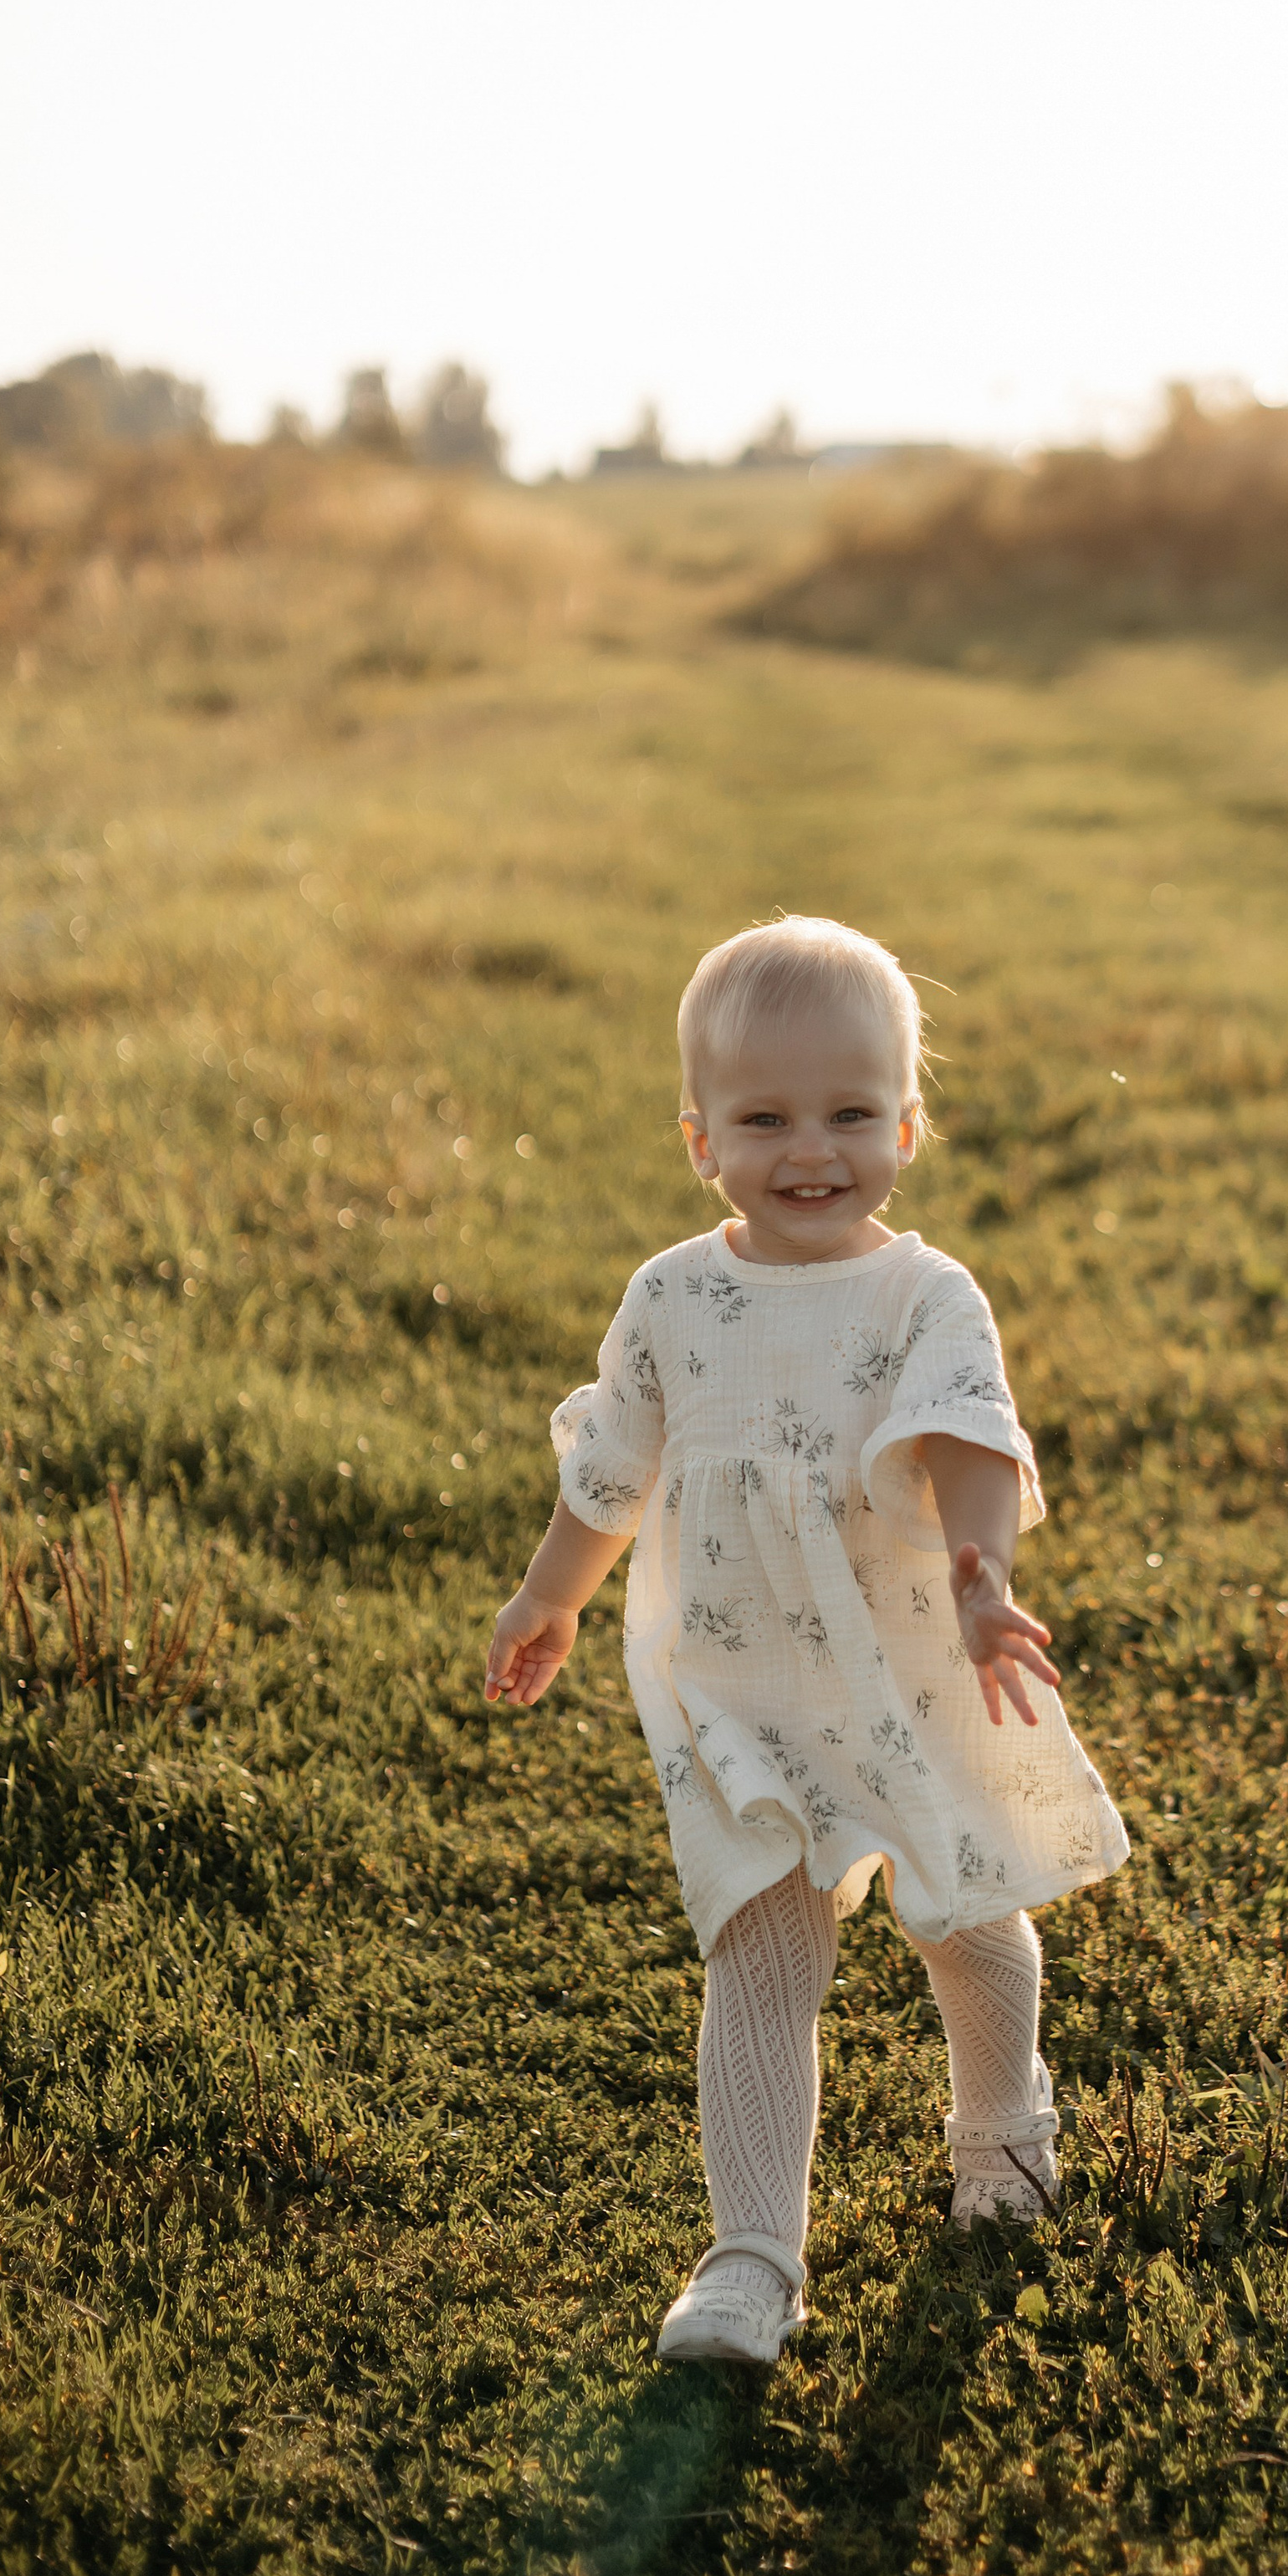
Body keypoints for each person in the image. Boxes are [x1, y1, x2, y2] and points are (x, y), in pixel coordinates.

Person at [483, 915, 1130, 2366]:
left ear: (907, 1121)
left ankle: (1002, 2124)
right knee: (761, 1948)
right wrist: (554, 1594)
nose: (811, 1150)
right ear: (700, 1138)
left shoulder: (923, 1295)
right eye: (764, 1117)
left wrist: (982, 1577)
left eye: (850, 1113)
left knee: (962, 1912)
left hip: (908, 1658)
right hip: (739, 1684)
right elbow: (612, 1471)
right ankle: (752, 2259)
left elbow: (968, 1434)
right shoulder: (670, 1298)